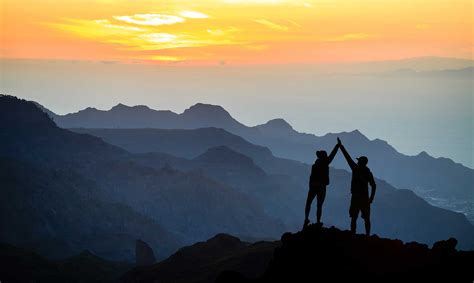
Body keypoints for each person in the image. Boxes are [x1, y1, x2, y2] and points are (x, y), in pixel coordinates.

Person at [337, 137, 376, 236]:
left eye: (358, 161)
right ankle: (367, 235)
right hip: (365, 198)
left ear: (360, 162)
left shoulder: (355, 168)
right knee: (366, 218)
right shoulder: (368, 172)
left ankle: (353, 234)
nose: (357, 162)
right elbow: (374, 185)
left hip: (356, 197)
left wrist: (341, 146)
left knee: (354, 217)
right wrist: (371, 198)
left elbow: (347, 157)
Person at [304, 140, 339, 229]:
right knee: (319, 205)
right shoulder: (325, 162)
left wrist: (310, 186)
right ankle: (318, 221)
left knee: (308, 203)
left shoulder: (315, 165)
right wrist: (337, 146)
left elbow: (311, 177)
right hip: (321, 187)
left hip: (313, 186)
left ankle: (306, 218)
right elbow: (332, 155)